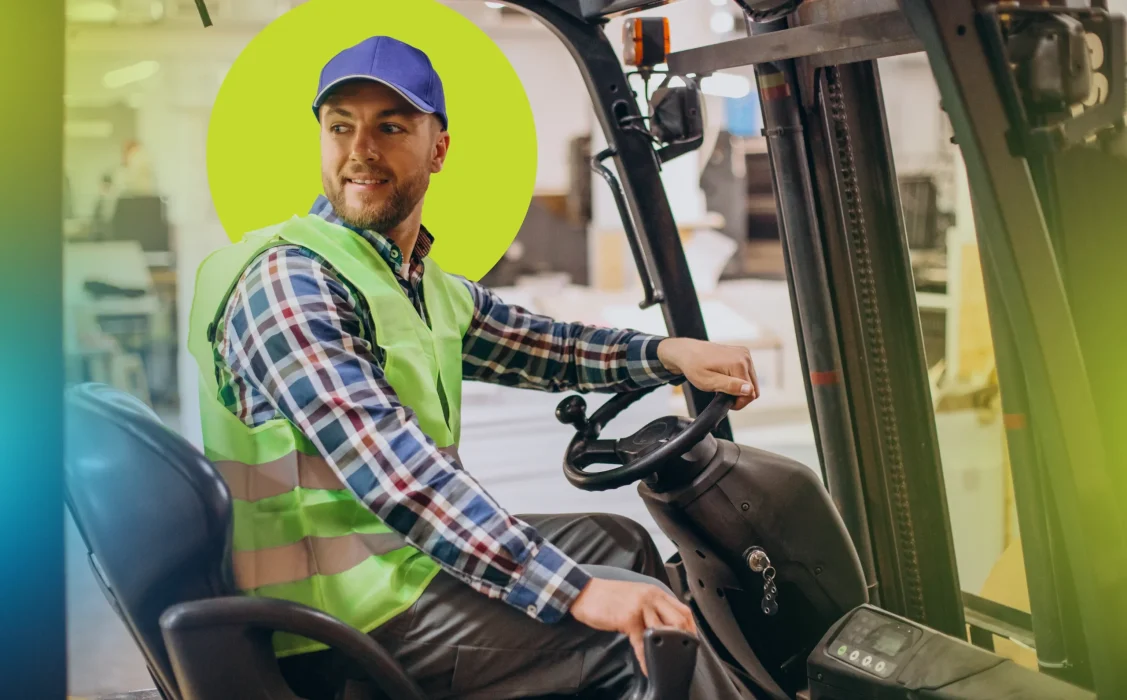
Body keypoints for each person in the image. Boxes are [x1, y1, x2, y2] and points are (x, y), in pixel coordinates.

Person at [187, 36, 759, 700]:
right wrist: (572, 592)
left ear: (438, 149)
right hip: (333, 621)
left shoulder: (408, 279)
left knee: (621, 545)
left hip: (400, 568)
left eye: (389, 127)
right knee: (642, 642)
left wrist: (665, 354)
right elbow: (400, 476)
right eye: (340, 127)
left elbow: (545, 345)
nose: (359, 149)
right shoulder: (288, 285)